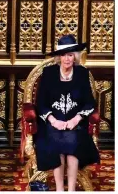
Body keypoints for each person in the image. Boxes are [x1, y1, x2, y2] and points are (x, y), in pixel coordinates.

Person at [34, 34, 100, 191]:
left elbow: (90, 102)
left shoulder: (82, 74)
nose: (67, 59)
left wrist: (76, 119)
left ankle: (70, 190)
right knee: (56, 142)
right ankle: (59, 189)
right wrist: (53, 121)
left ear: (75, 56)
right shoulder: (48, 73)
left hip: (75, 123)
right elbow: (41, 103)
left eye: (70, 55)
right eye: (63, 55)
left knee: (72, 143)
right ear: (58, 57)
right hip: (52, 123)